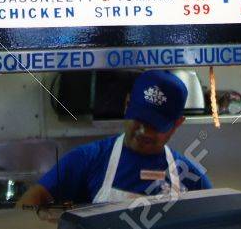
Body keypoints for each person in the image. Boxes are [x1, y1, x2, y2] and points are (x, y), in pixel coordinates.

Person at [17, 70, 211, 207]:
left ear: (177, 123)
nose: (143, 131)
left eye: (155, 126)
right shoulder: (88, 158)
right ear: (127, 105)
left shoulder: (192, 177)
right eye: (139, 119)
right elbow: (31, 200)